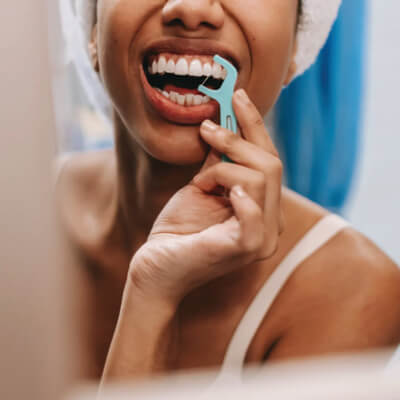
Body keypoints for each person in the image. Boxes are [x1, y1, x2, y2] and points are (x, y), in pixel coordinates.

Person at [57, 0, 400, 383]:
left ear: (296, 46)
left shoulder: (353, 292)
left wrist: (153, 292)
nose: (191, 9)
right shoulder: (14, 213)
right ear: (90, 24)